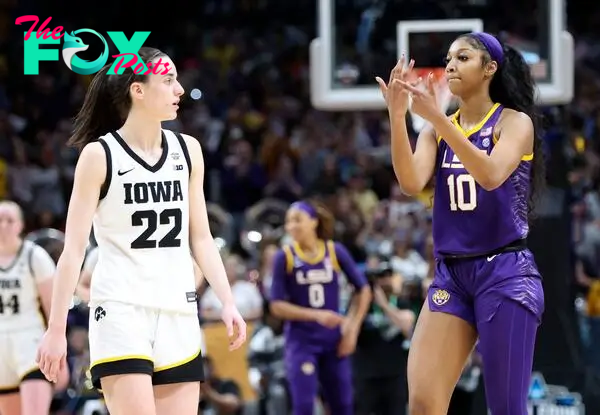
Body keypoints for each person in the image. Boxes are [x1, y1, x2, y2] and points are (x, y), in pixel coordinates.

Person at [36, 47, 247, 415]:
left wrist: (228, 300)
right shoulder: (99, 155)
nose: (179, 89)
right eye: (168, 81)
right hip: (121, 309)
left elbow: (199, 238)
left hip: (178, 310)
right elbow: (73, 251)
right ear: (139, 90)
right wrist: (56, 329)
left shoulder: (189, 151)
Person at [376, 32, 545, 414]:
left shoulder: (515, 122)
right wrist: (397, 115)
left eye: (463, 57)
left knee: (505, 408)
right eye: (449, 58)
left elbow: (489, 174)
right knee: (422, 402)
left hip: (505, 272)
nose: (450, 64)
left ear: (490, 69)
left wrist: (437, 117)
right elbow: (410, 182)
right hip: (452, 274)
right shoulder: (437, 128)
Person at [270, 200, 372, 415]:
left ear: (314, 222)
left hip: (333, 340)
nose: (291, 227)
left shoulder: (334, 251)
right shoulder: (285, 256)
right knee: (304, 406)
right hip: (301, 341)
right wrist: (316, 315)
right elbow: (276, 305)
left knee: (343, 405)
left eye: (297, 220)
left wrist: (352, 329)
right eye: (288, 222)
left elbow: (364, 290)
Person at [0, 201, 65, 415]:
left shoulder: (34, 256)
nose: (3, 225)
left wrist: (60, 351)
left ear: (20, 225)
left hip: (30, 341)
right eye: (0, 220)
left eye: (10, 220)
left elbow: (52, 305)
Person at [353, 262, 415, 415]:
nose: (385, 281)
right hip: (367, 376)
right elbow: (350, 332)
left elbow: (407, 327)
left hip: (394, 376)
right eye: (381, 277)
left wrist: (384, 305)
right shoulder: (362, 306)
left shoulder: (401, 303)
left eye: (389, 276)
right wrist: (362, 301)